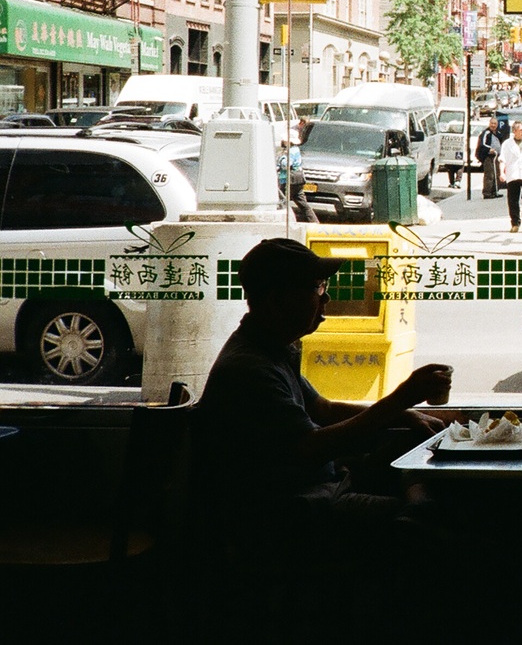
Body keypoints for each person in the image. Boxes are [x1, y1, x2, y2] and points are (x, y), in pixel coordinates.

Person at [195, 238, 455, 621]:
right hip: (292, 516)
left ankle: (418, 509)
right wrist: (400, 400)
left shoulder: (272, 347)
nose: (326, 300)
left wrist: (403, 416)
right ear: (275, 301)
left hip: (321, 487)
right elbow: (310, 446)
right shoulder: (249, 369)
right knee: (429, 531)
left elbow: (322, 408)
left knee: (410, 453)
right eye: (316, 290)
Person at [276, 137, 316, 223]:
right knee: (302, 202)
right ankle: (314, 221)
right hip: (298, 179)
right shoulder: (294, 150)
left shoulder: (290, 152)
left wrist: (281, 159)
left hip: (289, 179)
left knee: (282, 201)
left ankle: (285, 221)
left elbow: (286, 165)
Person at [474, 112, 501, 198]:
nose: (493, 125)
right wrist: (489, 149)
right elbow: (482, 144)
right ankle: (487, 193)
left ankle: (494, 191)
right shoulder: (486, 133)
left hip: (496, 156)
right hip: (488, 157)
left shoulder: (498, 133)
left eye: (495, 124)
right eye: (492, 123)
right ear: (489, 124)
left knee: (496, 174)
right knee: (490, 175)